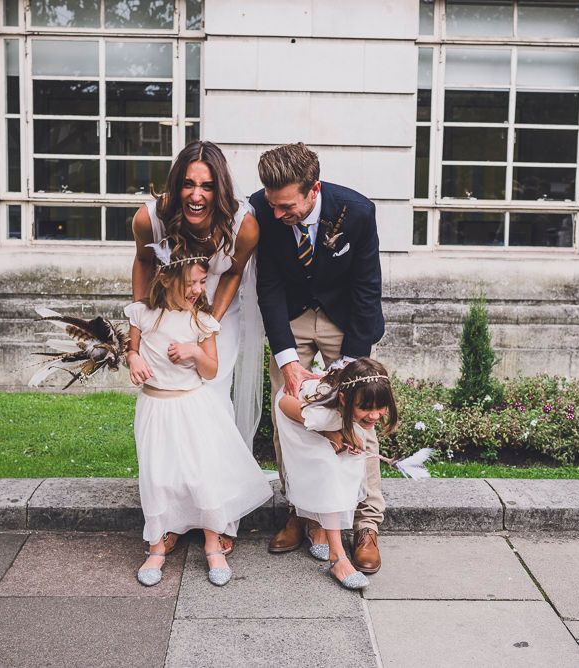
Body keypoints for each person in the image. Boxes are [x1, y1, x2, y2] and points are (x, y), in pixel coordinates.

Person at [250, 142, 386, 574]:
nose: (277, 214)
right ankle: (302, 512)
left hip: (345, 323)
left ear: (314, 190)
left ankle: (365, 524)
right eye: (272, 205)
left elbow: (367, 291)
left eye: (286, 206)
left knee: (360, 418)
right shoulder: (262, 208)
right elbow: (268, 286)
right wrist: (287, 359)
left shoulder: (357, 212)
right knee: (289, 419)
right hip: (290, 321)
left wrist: (346, 372)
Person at [132, 140, 265, 556]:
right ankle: (171, 517)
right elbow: (142, 264)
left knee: (209, 405)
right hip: (163, 313)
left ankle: (219, 515)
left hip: (216, 315)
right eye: (188, 184)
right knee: (167, 409)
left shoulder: (244, 225)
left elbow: (233, 274)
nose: (196, 195)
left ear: (220, 188)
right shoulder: (148, 218)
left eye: (206, 186)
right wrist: (139, 329)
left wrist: (206, 321)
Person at [125, 244, 272, 587]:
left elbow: (211, 369)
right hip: (154, 407)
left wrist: (193, 351)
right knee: (158, 475)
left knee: (202, 475)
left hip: (192, 407)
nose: (198, 290)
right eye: (191, 283)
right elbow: (131, 349)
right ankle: (157, 546)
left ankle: (212, 543)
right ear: (167, 279)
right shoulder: (141, 315)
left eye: (202, 282)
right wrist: (133, 359)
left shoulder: (202, 322)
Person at [276, 358, 398, 590]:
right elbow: (284, 403)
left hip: (329, 417)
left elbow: (345, 422)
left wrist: (341, 434)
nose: (374, 415)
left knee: (347, 465)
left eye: (380, 408)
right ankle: (338, 557)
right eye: (366, 408)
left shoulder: (349, 404)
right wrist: (328, 432)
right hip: (296, 416)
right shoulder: (323, 414)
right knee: (326, 470)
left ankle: (321, 528)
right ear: (345, 400)